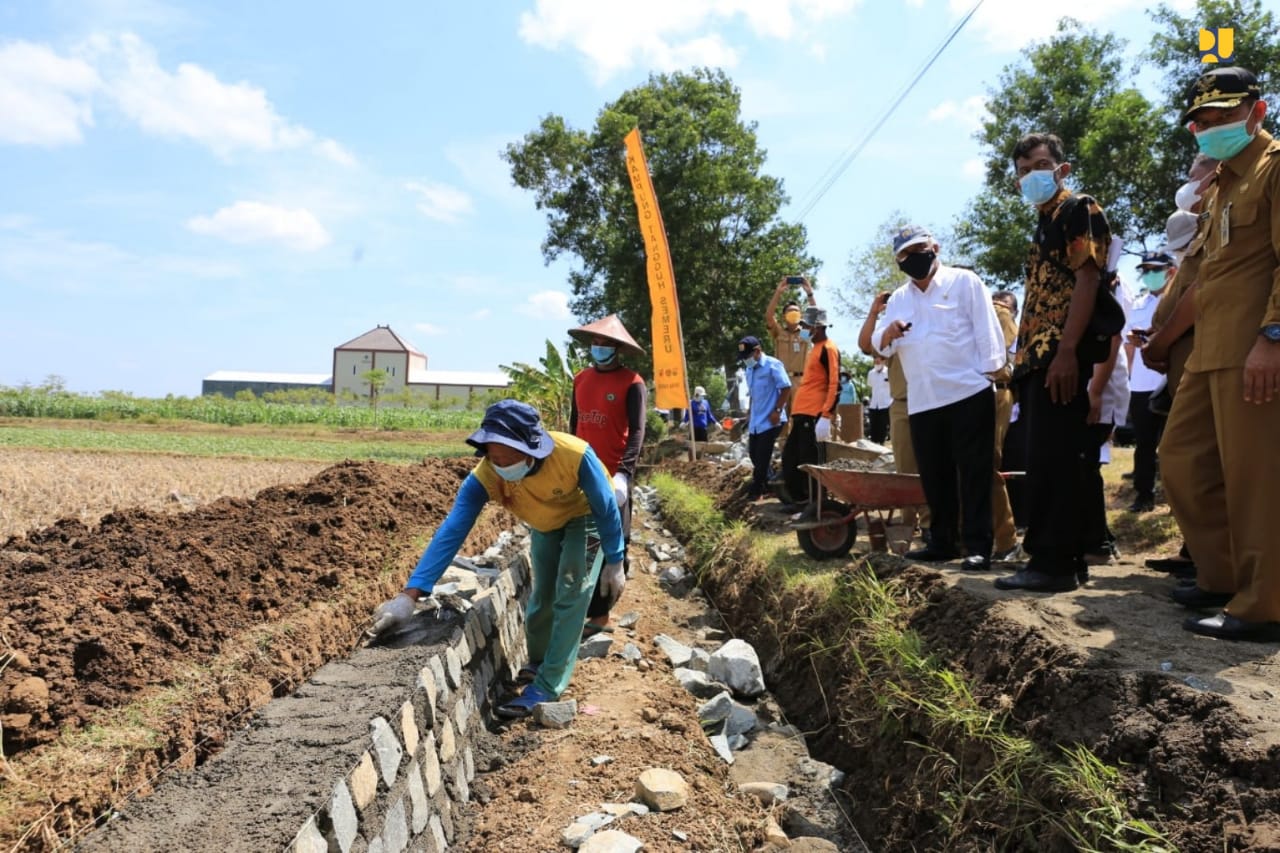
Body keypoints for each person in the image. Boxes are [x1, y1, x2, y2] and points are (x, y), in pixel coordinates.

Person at [369, 399, 625, 716]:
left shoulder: (574, 456)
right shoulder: (487, 475)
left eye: (507, 454)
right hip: (545, 523)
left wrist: (615, 560)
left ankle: (546, 686)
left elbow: (605, 506)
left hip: (585, 517)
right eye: (493, 453)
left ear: (531, 449)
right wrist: (410, 595)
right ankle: (540, 660)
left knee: (571, 591)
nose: (499, 461)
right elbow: (452, 530)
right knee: (543, 591)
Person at [1159, 66, 1280, 641]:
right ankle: (1226, 577)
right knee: (1181, 461)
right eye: (1202, 120)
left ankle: (1265, 606)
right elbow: (1207, 276)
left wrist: (1272, 338)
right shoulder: (1222, 185)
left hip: (1252, 349)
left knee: (1256, 480)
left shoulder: (1274, 170)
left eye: (1224, 116)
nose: (1211, 127)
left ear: (1257, 111)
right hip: (1209, 350)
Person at [995, 132, 1112, 594]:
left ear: (1061, 169)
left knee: (1054, 460)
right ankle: (1063, 557)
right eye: (1023, 170)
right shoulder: (1045, 222)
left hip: (1060, 357)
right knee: (1049, 458)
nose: (1031, 176)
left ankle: (1052, 564)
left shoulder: (1076, 208)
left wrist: (1066, 352)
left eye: (1040, 165)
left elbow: (1088, 280)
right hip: (1037, 360)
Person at [874, 226, 1005, 569]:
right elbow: (878, 343)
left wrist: (988, 372)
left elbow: (987, 329)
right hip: (923, 400)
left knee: (974, 473)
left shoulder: (964, 282)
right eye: (904, 255)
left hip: (968, 393)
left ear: (934, 246)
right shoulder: (900, 299)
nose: (913, 258)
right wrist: (885, 334)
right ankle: (942, 541)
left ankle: (978, 546)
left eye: (918, 249)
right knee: (935, 476)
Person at [568, 315, 646, 637]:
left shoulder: (632, 383)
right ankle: (588, 611)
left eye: (606, 344)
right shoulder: (580, 380)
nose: (599, 348)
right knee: (584, 540)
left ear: (618, 349)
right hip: (583, 472)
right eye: (595, 343)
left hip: (613, 474)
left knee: (615, 542)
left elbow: (638, 430)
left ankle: (602, 615)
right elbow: (575, 426)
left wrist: (624, 474)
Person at [858, 292, 931, 539]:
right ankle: (909, 524)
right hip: (901, 404)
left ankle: (932, 525)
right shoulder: (893, 334)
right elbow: (866, 345)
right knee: (905, 469)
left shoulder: (928, 325)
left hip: (932, 401)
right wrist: (874, 312)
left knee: (931, 466)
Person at [1123, 250, 1176, 513]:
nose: (1150, 275)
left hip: (1170, 381)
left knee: (1174, 444)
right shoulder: (1138, 304)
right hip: (1140, 385)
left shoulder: (1177, 301)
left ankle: (1176, 497)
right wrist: (1129, 379)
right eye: (1146, 270)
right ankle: (1144, 494)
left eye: (1156, 270)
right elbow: (1128, 346)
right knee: (1144, 444)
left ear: (1170, 271)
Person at [780, 306, 840, 510]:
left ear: (816, 327)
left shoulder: (828, 348)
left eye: (805, 326)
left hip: (814, 415)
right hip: (801, 414)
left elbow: (835, 384)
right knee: (791, 459)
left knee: (810, 461)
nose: (802, 329)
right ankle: (801, 500)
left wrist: (826, 416)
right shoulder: (813, 348)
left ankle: (817, 504)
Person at [738, 335, 791, 501]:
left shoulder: (773, 365)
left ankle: (757, 490)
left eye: (747, 356)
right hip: (756, 420)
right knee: (753, 453)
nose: (746, 360)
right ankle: (771, 482)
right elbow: (754, 395)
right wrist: (749, 413)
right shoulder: (748, 370)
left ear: (757, 351)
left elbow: (786, 387)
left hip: (772, 419)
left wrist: (777, 410)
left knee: (762, 456)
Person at [989, 289, 1020, 561]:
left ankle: (1006, 540)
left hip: (996, 392)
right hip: (970, 394)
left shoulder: (999, 315)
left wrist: (998, 310)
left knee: (988, 463)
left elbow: (997, 355)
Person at [765, 277, 817, 431]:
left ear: (801, 316)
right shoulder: (778, 332)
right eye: (789, 311)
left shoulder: (805, 334)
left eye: (796, 311)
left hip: (800, 380)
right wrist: (778, 293)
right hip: (780, 380)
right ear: (783, 316)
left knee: (800, 418)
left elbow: (815, 318)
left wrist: (809, 293)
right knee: (781, 420)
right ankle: (783, 451)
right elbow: (768, 316)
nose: (793, 313)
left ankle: (799, 452)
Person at [865, 357, 891, 445]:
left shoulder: (889, 372)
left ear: (883, 361)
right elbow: (871, 386)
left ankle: (882, 446)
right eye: (875, 362)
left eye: (878, 362)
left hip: (886, 404)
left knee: (883, 427)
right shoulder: (871, 373)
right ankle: (874, 447)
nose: (877, 364)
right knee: (873, 427)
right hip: (874, 404)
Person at [836, 370, 861, 442]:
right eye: (841, 375)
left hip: (848, 406)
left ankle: (848, 438)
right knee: (839, 422)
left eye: (844, 376)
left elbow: (854, 396)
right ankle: (839, 437)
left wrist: (853, 404)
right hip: (839, 406)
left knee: (847, 422)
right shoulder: (838, 384)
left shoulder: (850, 385)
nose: (843, 377)